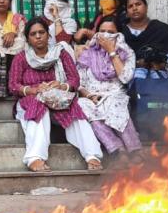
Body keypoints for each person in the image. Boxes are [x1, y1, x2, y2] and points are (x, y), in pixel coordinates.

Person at [9, 17, 103, 172]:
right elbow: (13, 85)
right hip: (31, 100)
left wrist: (62, 85)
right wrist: (33, 90)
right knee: (38, 104)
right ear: (28, 38)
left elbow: (74, 80)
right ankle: (35, 157)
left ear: (48, 35)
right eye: (33, 34)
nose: (38, 36)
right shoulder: (21, 58)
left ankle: (92, 155)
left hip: (59, 99)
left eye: (41, 32)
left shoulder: (61, 54)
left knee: (75, 107)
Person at [76, 17, 143, 163]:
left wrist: (112, 51)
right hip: (92, 96)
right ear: (96, 33)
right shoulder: (88, 53)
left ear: (118, 34)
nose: (105, 36)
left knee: (114, 104)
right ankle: (118, 149)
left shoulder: (127, 53)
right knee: (84, 107)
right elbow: (79, 83)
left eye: (111, 32)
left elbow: (125, 78)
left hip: (115, 93)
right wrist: (89, 96)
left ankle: (134, 148)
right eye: (102, 31)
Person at [121, 0, 168, 79]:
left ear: (146, 7)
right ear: (127, 12)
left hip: (160, 76)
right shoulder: (121, 33)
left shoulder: (161, 28)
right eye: (130, 6)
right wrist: (137, 64)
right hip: (131, 78)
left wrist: (162, 65)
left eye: (138, 4)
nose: (134, 8)